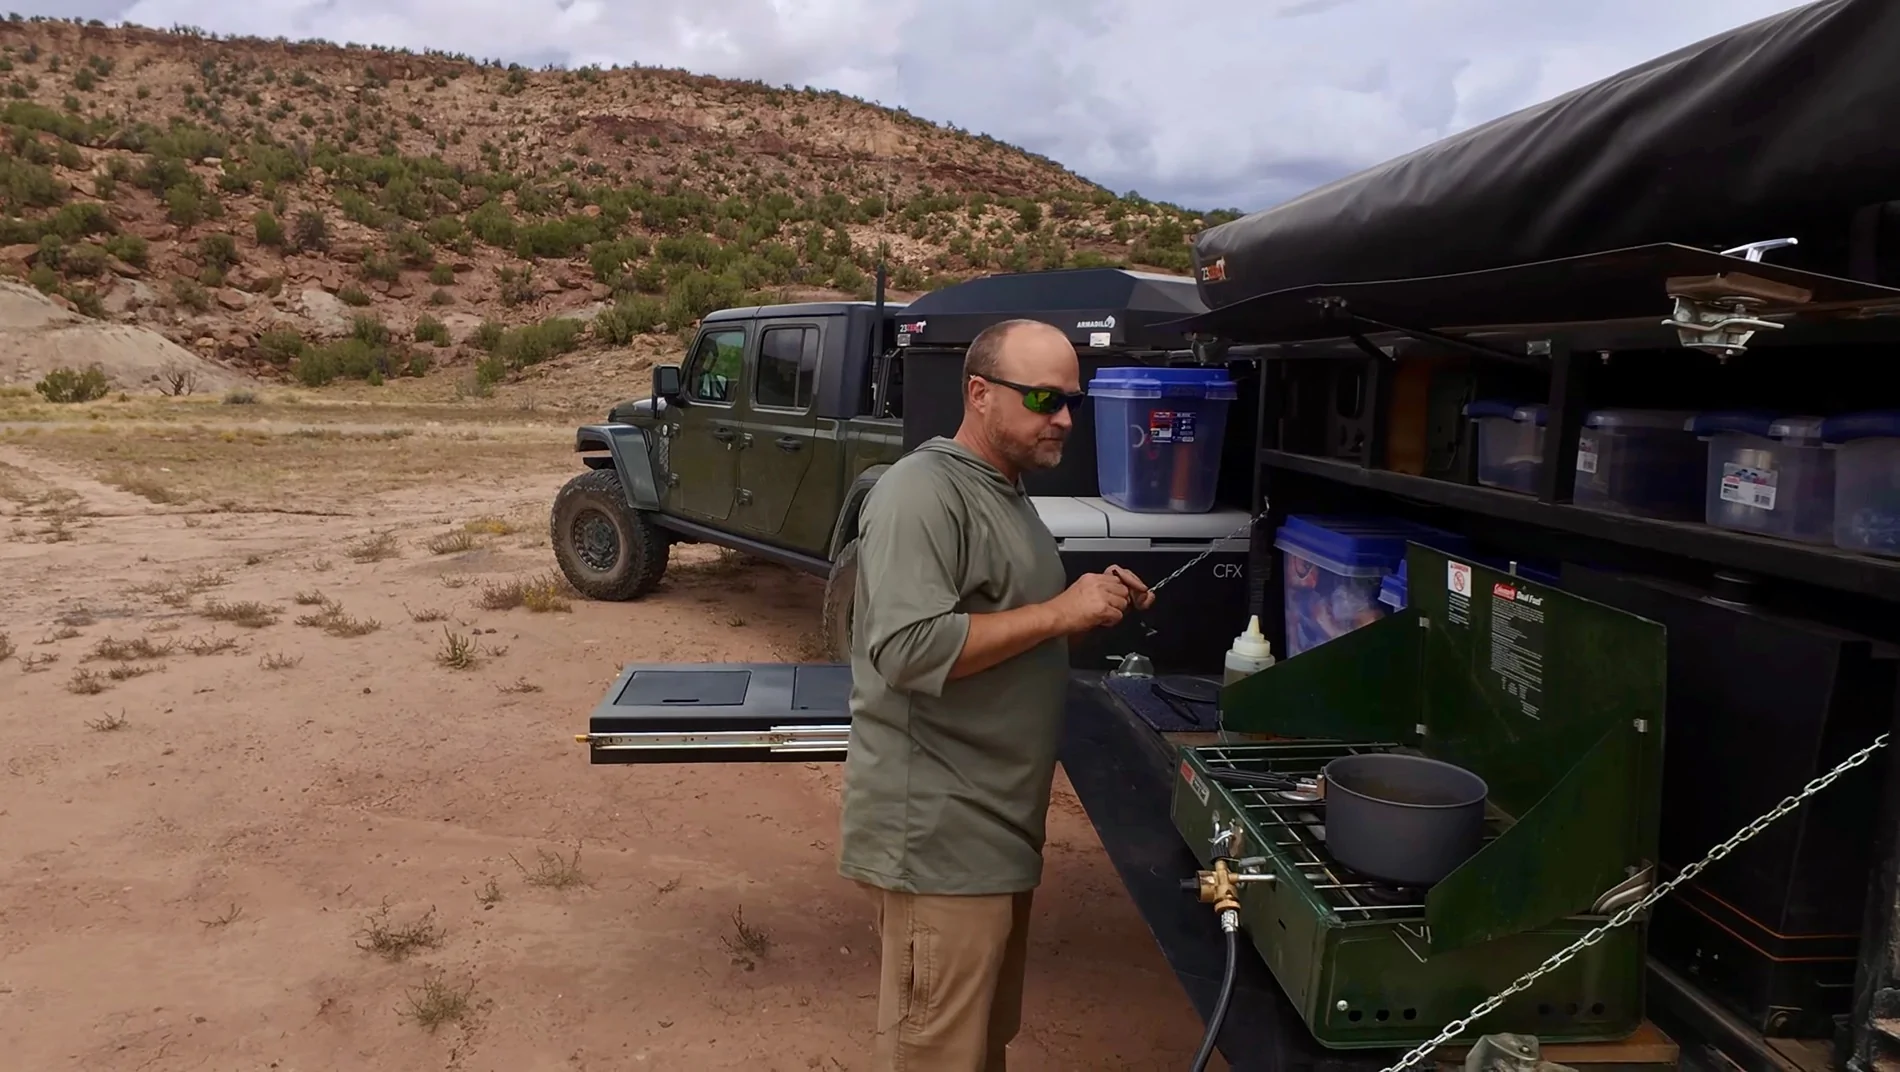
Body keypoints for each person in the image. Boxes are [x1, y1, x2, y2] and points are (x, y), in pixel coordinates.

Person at [838, 317, 1156, 1070]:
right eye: (1045, 398)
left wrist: (1088, 606)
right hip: (941, 838)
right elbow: (908, 650)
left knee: (978, 1048)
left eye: (1074, 400)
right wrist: (1058, 611)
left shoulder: (1006, 494)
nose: (1066, 420)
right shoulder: (921, 492)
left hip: (996, 835)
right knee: (936, 1054)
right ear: (979, 394)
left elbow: (1006, 637)